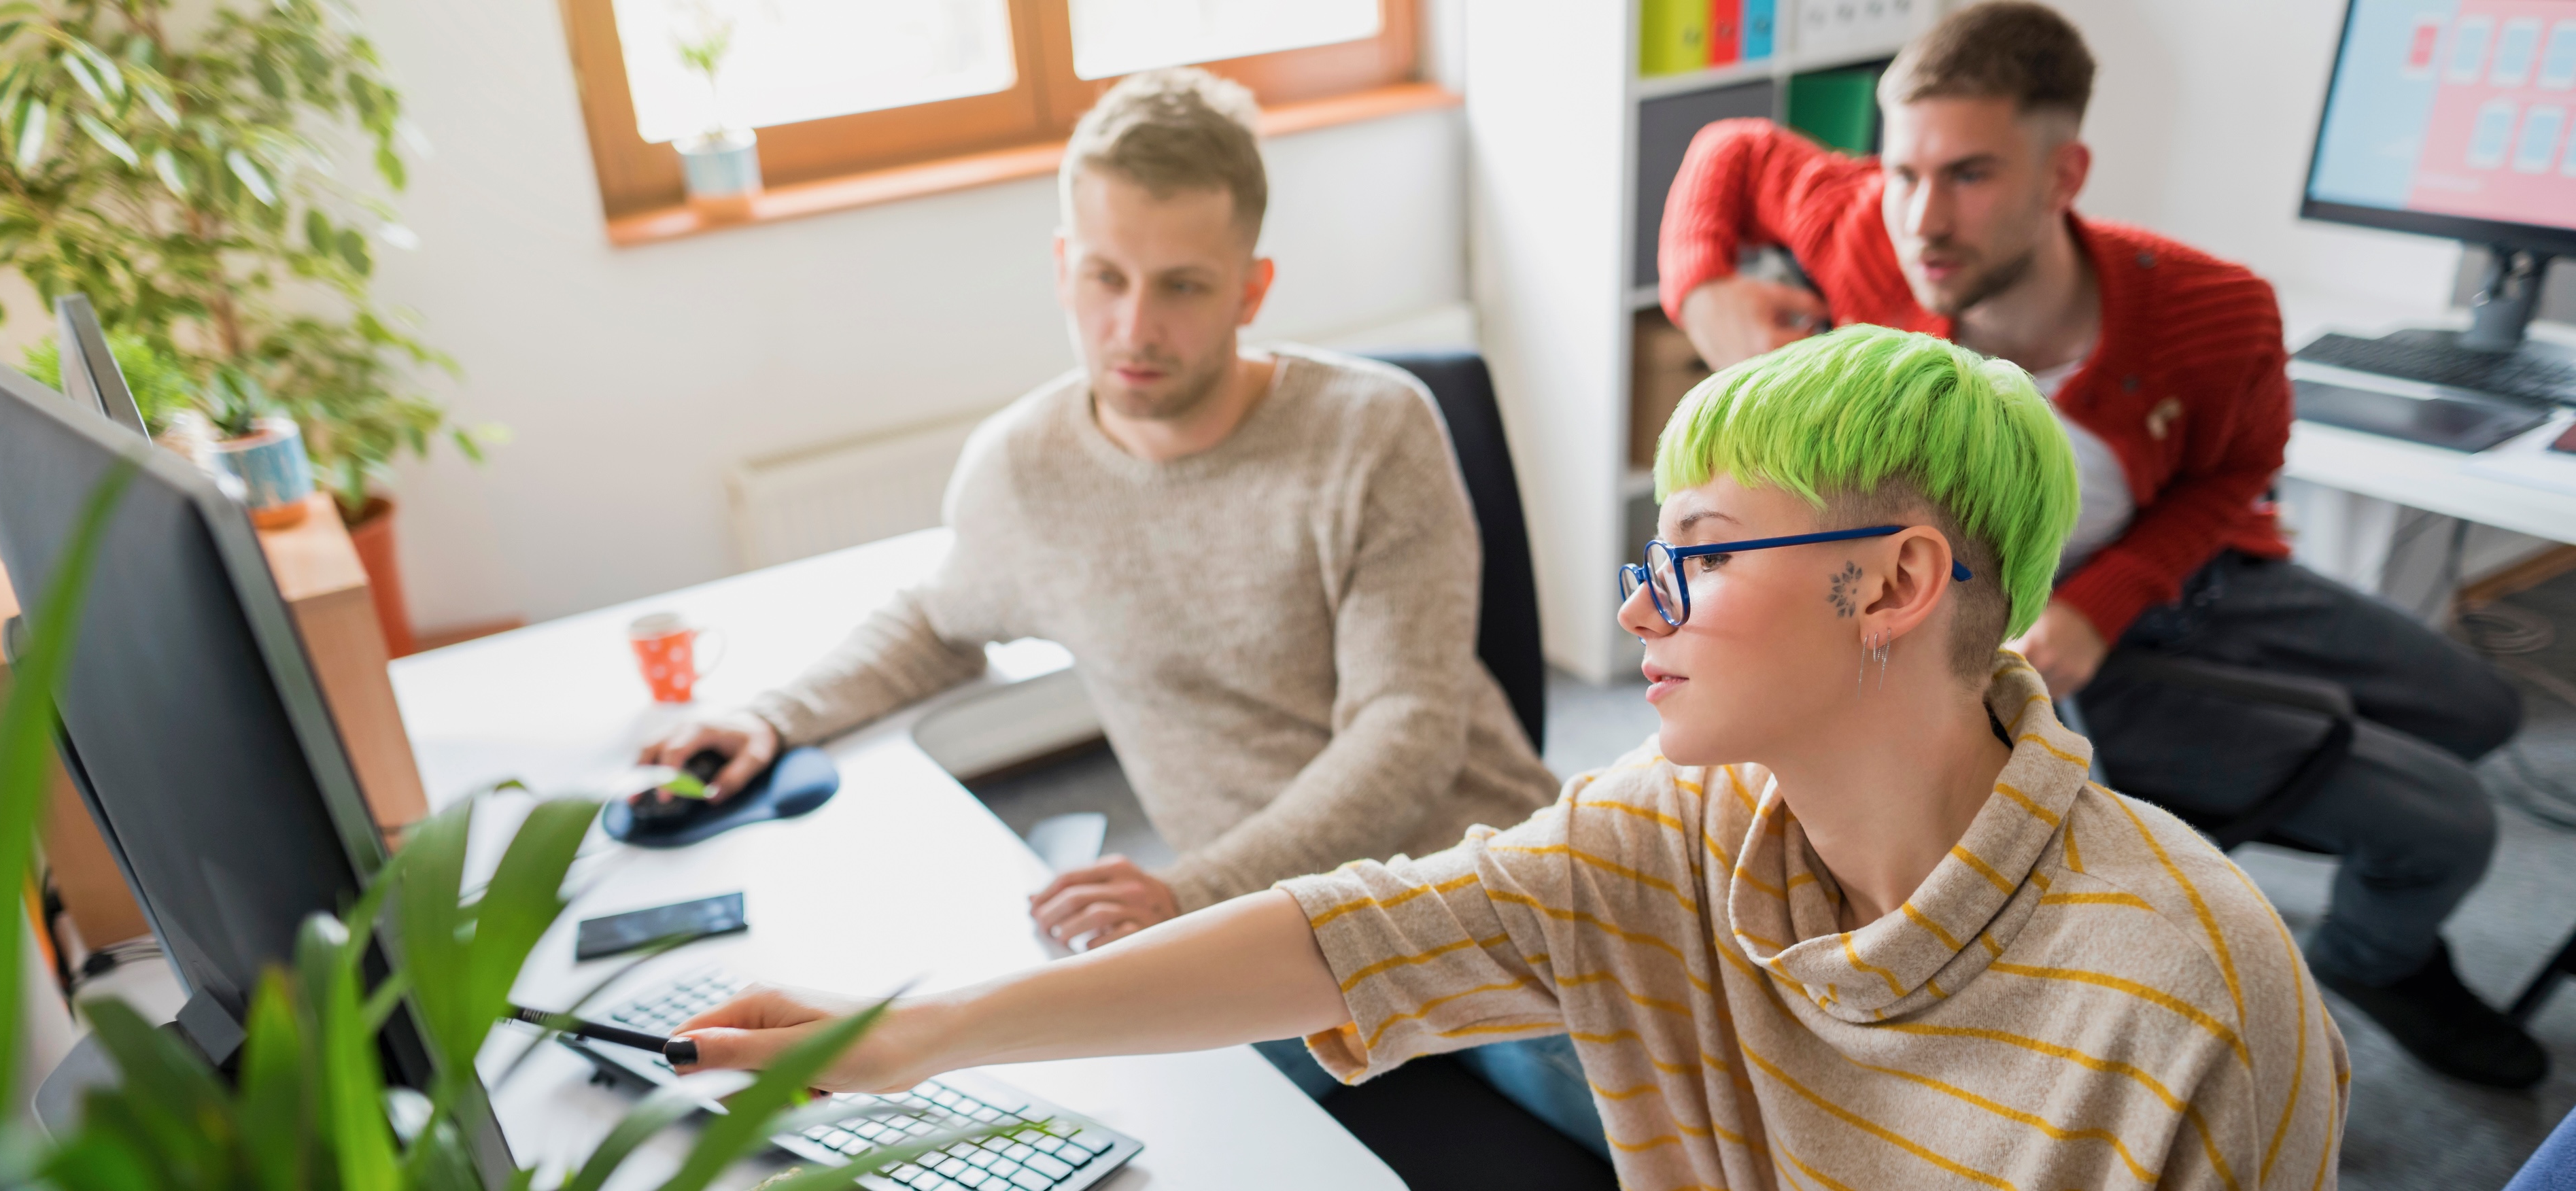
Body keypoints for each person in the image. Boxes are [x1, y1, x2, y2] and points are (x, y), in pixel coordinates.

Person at [668, 326, 2348, 1190]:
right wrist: (916, 1036)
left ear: (1893, 585)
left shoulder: (2187, 998)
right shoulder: (1676, 831)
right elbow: (1357, 929)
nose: (1636, 604)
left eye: (1694, 553)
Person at [637, 67, 1588, 1141]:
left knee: (1711, 1133)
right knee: (1069, 1133)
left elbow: (1406, 730)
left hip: (1468, 887)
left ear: (1251, 289)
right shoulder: (1024, 469)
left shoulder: (1375, 431)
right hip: (1258, 940)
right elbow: (941, 620)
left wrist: (1191, 893)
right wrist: (774, 716)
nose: (1135, 326)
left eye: (1183, 286)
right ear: (1062, 268)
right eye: (1105, 277)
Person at [1657, 1, 2535, 1087]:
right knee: (2447, 828)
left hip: (2177, 580)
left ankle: (2212, 800)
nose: (1921, 219)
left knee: (2487, 711)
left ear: (2064, 175)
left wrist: (2113, 597)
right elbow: (1727, 151)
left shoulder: (2216, 310)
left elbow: (2236, 467)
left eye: (1969, 176)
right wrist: (1704, 293)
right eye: (1903, 173)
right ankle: (2366, 959)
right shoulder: (1864, 229)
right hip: (1998, 633)